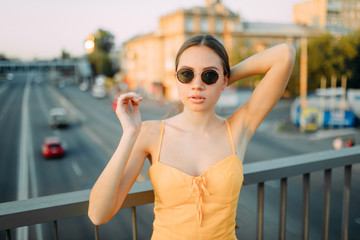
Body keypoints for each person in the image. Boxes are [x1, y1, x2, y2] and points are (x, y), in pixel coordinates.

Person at [88, 34, 295, 239]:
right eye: (187, 74)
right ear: (176, 79)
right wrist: (130, 134)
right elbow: (98, 214)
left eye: (209, 76)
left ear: (225, 80)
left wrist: (222, 78)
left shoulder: (238, 128)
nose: (197, 85)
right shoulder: (150, 133)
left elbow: (284, 55)